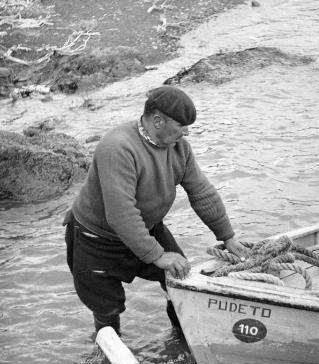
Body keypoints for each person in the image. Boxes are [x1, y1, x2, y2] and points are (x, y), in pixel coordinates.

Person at [64, 85, 248, 336]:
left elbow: (201, 192)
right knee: (106, 309)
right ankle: (106, 356)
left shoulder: (179, 147)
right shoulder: (118, 147)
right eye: (181, 126)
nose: (186, 133)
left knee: (181, 280)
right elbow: (121, 214)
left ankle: (185, 339)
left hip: (146, 228)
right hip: (97, 238)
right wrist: (157, 255)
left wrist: (228, 236)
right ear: (158, 121)